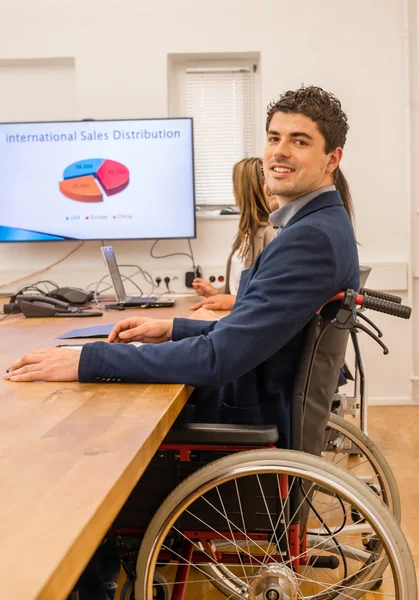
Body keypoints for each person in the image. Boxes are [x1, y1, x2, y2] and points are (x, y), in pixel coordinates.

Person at [5, 84, 359, 444]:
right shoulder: (317, 225)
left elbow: (219, 357)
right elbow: (246, 331)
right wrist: (172, 328)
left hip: (246, 433)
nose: (279, 152)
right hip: (255, 411)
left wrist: (89, 360)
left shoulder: (309, 238)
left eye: (299, 141)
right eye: (274, 138)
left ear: (332, 158)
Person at [191, 157, 275, 311]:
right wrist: (216, 292)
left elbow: (268, 295)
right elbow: (238, 288)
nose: (233, 192)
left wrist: (233, 300)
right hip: (235, 315)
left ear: (244, 191)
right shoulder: (247, 233)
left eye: (235, 186)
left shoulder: (270, 233)